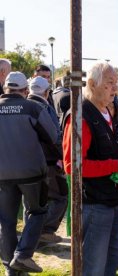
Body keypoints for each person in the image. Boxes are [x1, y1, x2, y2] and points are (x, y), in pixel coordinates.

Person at [63, 62, 118, 276]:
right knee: (93, 267)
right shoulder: (81, 115)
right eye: (110, 84)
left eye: (116, 83)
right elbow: (73, 166)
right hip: (94, 204)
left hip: (110, 200)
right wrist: (117, 165)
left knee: (110, 261)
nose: (116, 89)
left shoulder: (102, 111)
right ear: (91, 84)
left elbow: (105, 146)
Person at [0, 72, 57, 274]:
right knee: (38, 212)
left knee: (6, 221)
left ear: (5, 89)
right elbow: (53, 137)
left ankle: (10, 269)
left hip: (2, 176)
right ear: (25, 91)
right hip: (32, 174)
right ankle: (23, 255)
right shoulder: (32, 107)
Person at [27, 76, 67, 244]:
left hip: (27, 163)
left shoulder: (24, 106)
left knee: (31, 204)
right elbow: (54, 137)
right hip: (48, 161)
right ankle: (46, 231)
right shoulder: (43, 107)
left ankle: (31, 239)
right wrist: (62, 157)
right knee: (61, 196)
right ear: (46, 92)